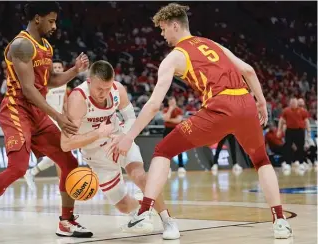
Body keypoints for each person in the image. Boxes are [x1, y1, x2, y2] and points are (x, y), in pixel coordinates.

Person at [110, 3, 292, 239]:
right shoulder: (212, 43)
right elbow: (248, 71)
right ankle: (280, 222)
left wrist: (129, 137)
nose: (162, 35)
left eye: (164, 29)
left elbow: (154, 104)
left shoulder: (174, 57)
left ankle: (144, 214)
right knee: (261, 160)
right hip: (245, 103)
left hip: (219, 108)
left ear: (175, 25)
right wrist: (261, 101)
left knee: (163, 150)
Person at [0, 3, 93, 244]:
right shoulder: (21, 45)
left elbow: (49, 82)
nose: (54, 26)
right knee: (17, 168)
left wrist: (74, 71)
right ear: (37, 19)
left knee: (69, 161)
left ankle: (66, 221)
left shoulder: (46, 46)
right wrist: (58, 117)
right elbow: (28, 90)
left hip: (37, 113)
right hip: (17, 109)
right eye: (51, 21)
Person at [60, 60, 180, 240]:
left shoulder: (118, 89)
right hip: (96, 155)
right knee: (123, 206)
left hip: (119, 140)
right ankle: (144, 204)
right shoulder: (78, 99)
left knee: (139, 175)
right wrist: (97, 134)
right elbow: (66, 144)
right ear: (89, 81)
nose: (104, 93)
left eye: (107, 88)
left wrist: (124, 136)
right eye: (99, 89)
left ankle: (168, 220)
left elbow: (131, 118)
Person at [24, 59, 67, 190]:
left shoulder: (64, 83)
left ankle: (32, 172)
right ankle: (62, 187)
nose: (58, 69)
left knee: (57, 155)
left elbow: (64, 103)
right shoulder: (46, 84)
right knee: (61, 154)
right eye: (56, 67)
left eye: (60, 67)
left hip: (60, 122)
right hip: (47, 121)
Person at [277, 98, 311, 170]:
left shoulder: (302, 111)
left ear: (297, 103)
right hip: (289, 131)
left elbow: (306, 121)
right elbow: (281, 120)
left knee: (300, 147)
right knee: (288, 147)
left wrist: (308, 131)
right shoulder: (286, 111)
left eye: (294, 103)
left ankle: (301, 163)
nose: (293, 104)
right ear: (290, 103)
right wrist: (279, 130)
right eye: (292, 102)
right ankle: (288, 163)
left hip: (300, 131)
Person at [162, 96, 185, 175]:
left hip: (176, 130)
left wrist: (169, 120)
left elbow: (178, 120)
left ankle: (181, 167)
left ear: (175, 102)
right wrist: (170, 109)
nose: (172, 103)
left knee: (179, 149)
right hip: (167, 130)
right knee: (166, 150)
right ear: (168, 103)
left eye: (173, 101)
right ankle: (167, 167)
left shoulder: (179, 110)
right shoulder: (165, 110)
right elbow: (165, 118)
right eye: (170, 102)